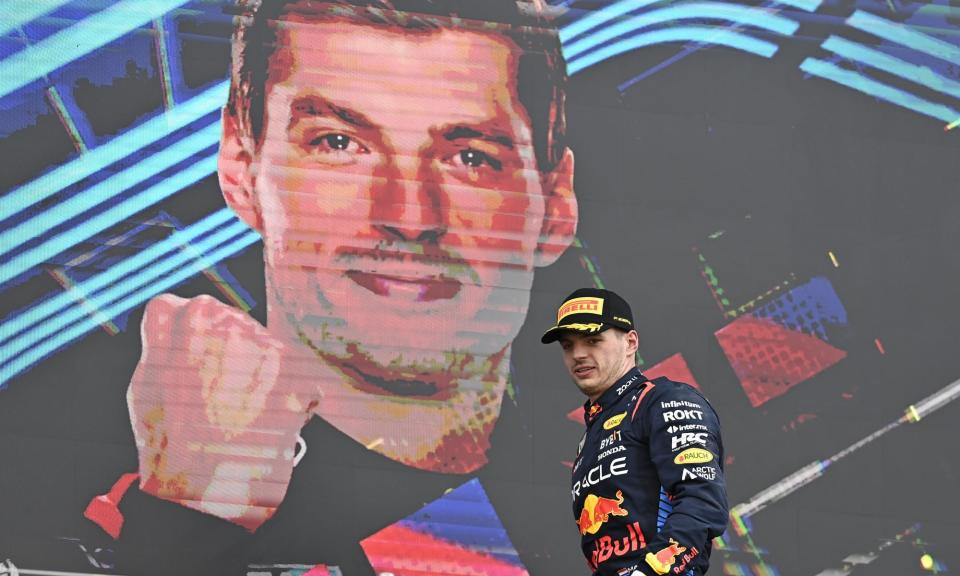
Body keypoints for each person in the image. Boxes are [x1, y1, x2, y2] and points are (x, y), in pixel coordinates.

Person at [81, 0, 579, 572]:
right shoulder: (85, 521)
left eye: (471, 158)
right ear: (241, 167)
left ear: (556, 206)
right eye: (338, 143)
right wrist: (187, 521)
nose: (410, 215)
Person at [542, 288, 728, 575]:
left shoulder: (665, 401)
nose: (578, 354)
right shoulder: (591, 434)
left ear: (630, 343)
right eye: (568, 345)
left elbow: (703, 505)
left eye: (593, 340)